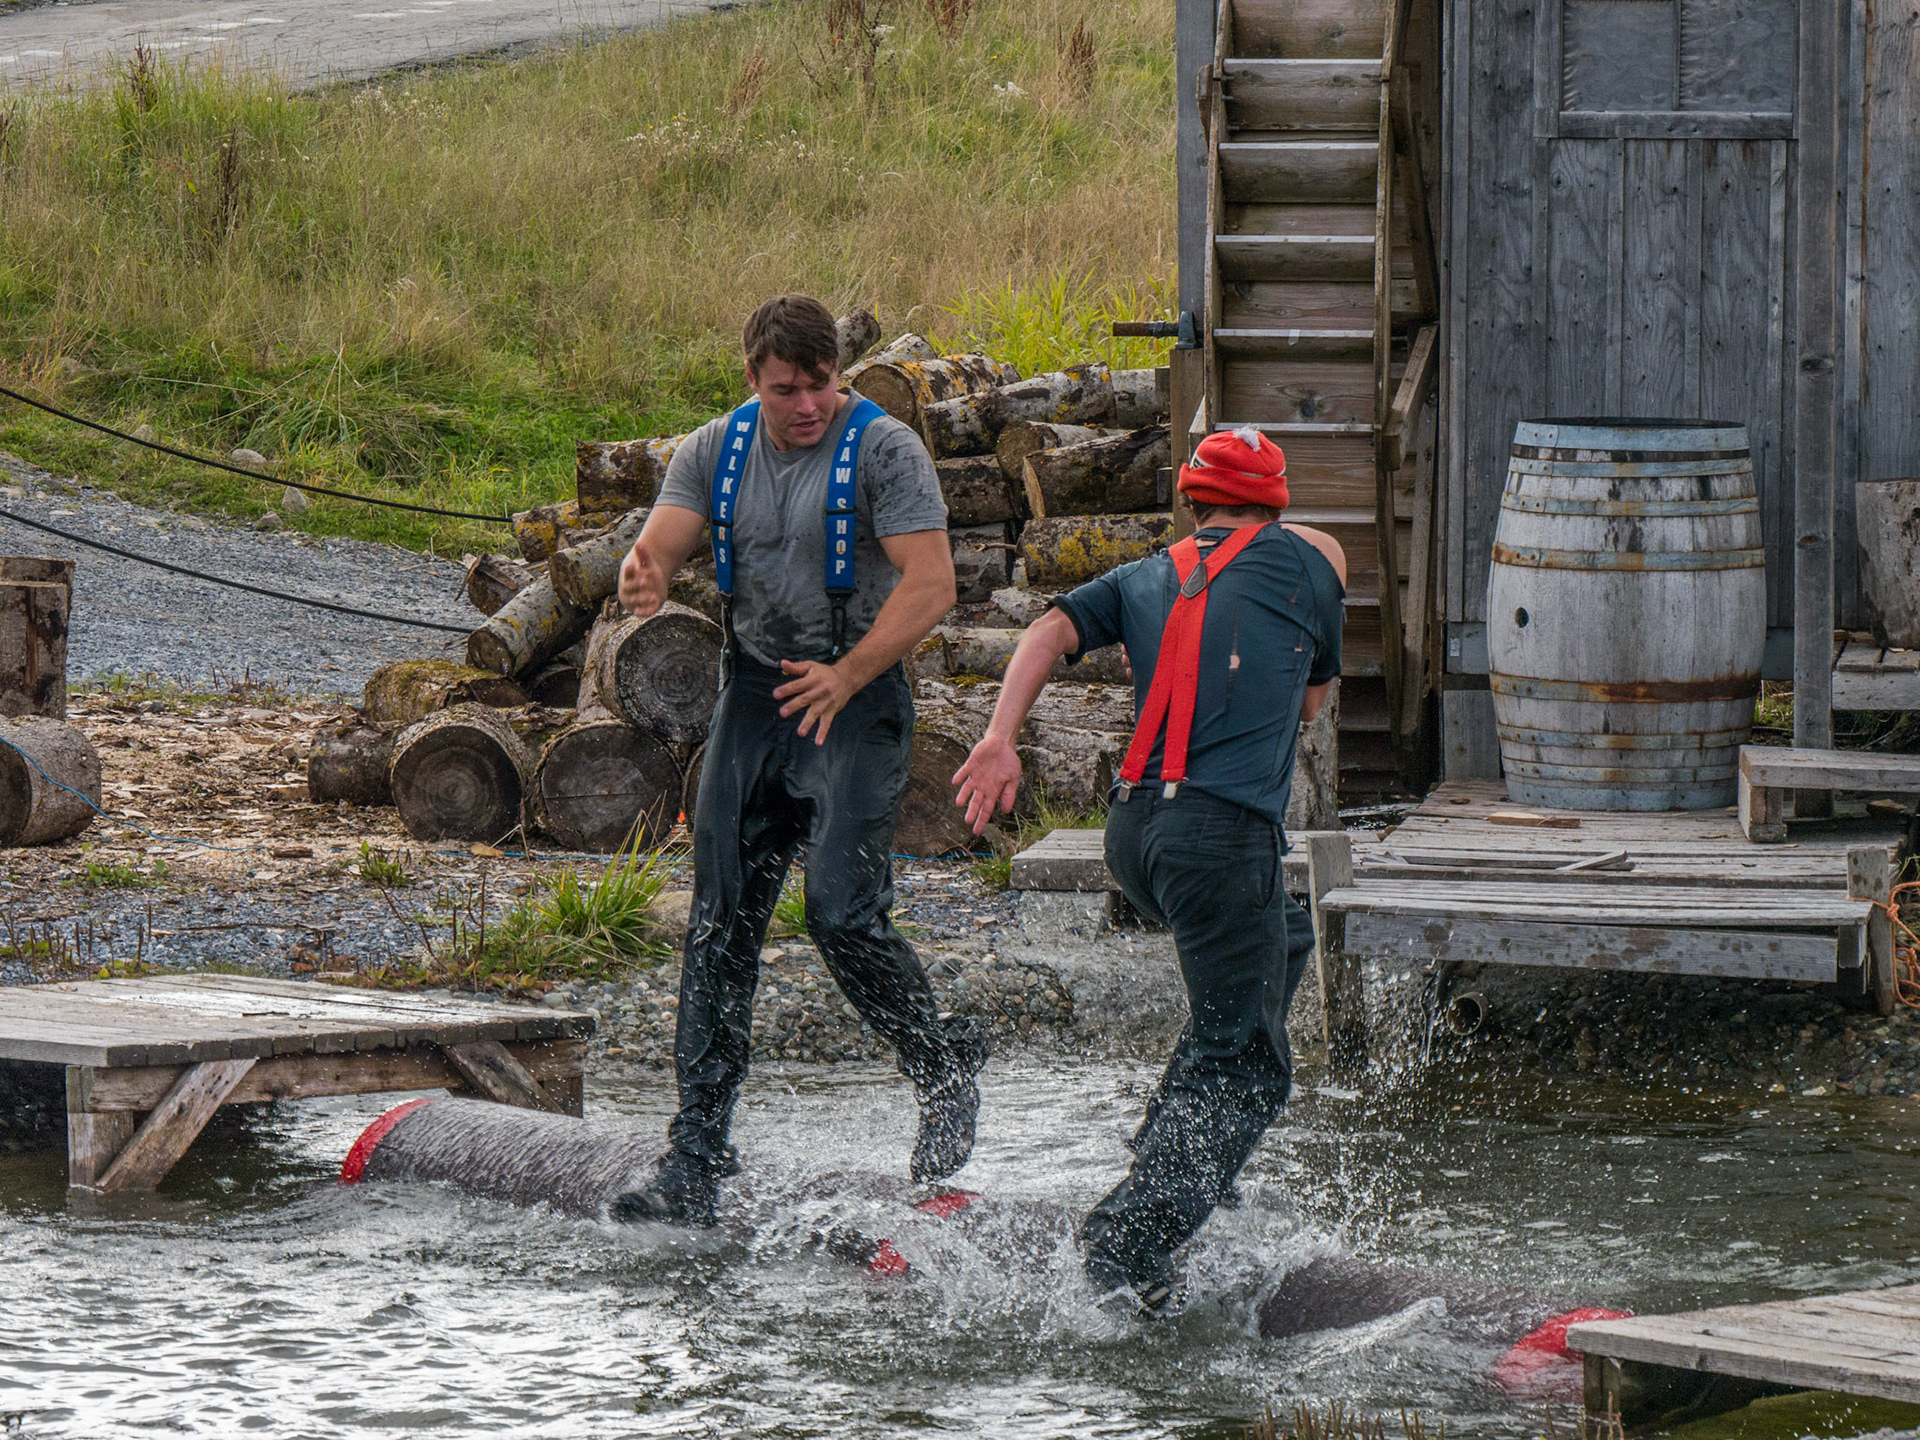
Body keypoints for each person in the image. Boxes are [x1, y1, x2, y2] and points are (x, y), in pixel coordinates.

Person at [612, 295, 990, 1226]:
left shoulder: (885, 450)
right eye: (787, 390)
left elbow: (932, 582)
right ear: (753, 379)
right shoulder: (715, 448)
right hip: (754, 699)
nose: (807, 405)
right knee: (719, 922)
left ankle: (940, 1067)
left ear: (838, 377)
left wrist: (848, 672)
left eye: (821, 385)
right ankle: (695, 1158)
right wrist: (646, 572)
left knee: (840, 914)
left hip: (857, 700)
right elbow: (659, 541)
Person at [951, 425, 1345, 1311]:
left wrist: (999, 738)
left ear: (1190, 497)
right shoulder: (1311, 564)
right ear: (1276, 498)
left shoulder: (1142, 573)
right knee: (1248, 1063)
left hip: (1133, 834)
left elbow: (1046, 632)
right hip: (1218, 840)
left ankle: (1174, 1155)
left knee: (1279, 938)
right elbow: (1314, 699)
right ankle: (1126, 1247)